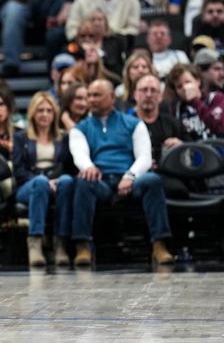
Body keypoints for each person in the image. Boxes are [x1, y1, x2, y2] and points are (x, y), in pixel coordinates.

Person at [69, 79, 173, 266]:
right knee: (83, 181)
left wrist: (130, 176)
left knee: (152, 180)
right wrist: (88, 167)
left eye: (96, 95)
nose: (91, 100)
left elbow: (144, 157)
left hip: (129, 179)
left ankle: (159, 245)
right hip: (100, 180)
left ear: (111, 97)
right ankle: (82, 245)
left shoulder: (134, 123)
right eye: (89, 96)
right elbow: (79, 153)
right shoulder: (80, 128)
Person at [13, 92, 74, 267]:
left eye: (48, 110)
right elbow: (19, 170)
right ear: (32, 112)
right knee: (40, 183)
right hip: (28, 185)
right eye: (40, 110)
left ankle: (60, 243)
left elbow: (69, 167)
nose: (44, 114)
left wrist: (54, 181)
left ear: (54, 113)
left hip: (57, 182)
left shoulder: (63, 138)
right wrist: (45, 181)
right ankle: (35, 244)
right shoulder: (21, 137)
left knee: (68, 181)